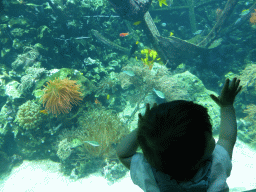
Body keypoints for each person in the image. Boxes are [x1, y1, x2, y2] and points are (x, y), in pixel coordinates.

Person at [116, 77, 242, 192]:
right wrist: (227, 106)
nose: (213, 140)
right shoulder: (217, 165)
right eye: (210, 137)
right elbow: (227, 138)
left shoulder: (150, 174)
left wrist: (142, 129)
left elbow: (123, 154)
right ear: (204, 152)